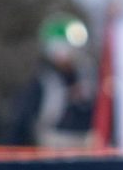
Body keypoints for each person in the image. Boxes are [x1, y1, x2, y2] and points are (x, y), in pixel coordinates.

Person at [8, 12, 94, 148]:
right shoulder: (42, 82)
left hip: (85, 147)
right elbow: (23, 123)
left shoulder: (86, 78)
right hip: (51, 150)